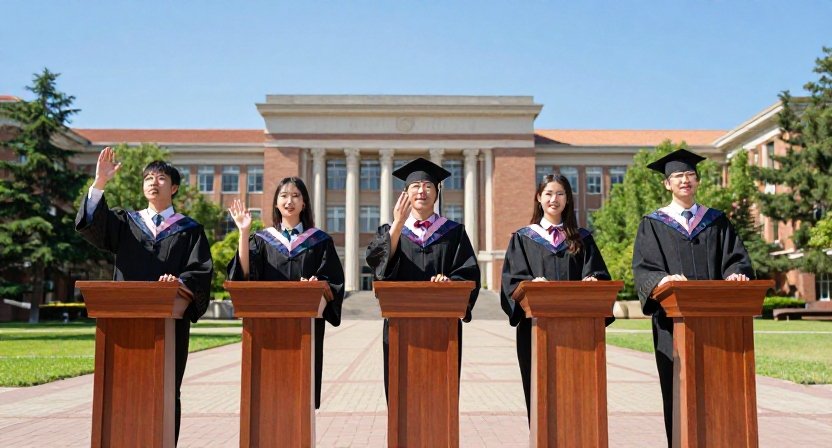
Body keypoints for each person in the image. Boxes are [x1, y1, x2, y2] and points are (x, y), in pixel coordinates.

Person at [75, 147, 213, 444]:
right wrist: (99, 183)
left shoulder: (190, 230)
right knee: (122, 386)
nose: (153, 182)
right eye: (148, 177)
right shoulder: (126, 223)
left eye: (161, 178)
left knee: (166, 388)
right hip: (125, 323)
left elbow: (200, 273)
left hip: (170, 325)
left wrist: (178, 283)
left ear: (173, 187)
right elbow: (93, 228)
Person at [632, 148, 753, 446]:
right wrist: (663, 280)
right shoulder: (653, 223)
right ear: (667, 184)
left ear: (697, 181)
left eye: (689, 175)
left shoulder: (716, 221)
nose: (684, 180)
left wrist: (735, 273)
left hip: (716, 324)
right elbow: (645, 268)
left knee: (718, 387)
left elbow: (737, 259)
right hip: (672, 323)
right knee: (678, 388)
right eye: (677, 176)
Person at [500, 173, 613, 422]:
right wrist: (529, 287)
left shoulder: (581, 238)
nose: (554, 199)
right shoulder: (522, 238)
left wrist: (593, 281)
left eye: (560, 194)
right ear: (539, 198)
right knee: (540, 395)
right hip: (535, 331)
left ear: (568, 199)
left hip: (578, 332)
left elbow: (599, 275)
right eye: (549, 193)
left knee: (577, 396)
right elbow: (511, 283)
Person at [365, 157, 480, 399]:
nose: (422, 191)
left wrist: (450, 286)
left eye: (428, 186)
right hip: (400, 326)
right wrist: (397, 223)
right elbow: (377, 265)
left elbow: (468, 273)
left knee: (440, 394)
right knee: (401, 393)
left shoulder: (454, 232)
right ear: (405, 193)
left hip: (443, 328)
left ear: (437, 192)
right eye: (415, 186)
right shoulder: (390, 230)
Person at [226, 177, 344, 409]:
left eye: (296, 196)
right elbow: (244, 276)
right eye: (284, 196)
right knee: (268, 397)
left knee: (302, 396)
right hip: (268, 327)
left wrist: (317, 283)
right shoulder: (261, 240)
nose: (289, 201)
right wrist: (243, 232)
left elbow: (333, 281)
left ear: (304, 204)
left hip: (306, 328)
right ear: (276, 203)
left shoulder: (320, 241)